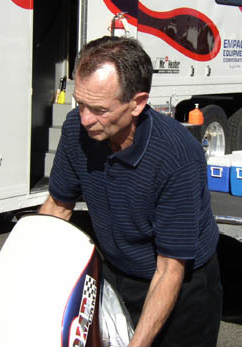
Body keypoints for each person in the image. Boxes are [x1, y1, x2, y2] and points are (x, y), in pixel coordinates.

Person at [39, 36, 222, 347]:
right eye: (80, 103)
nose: (85, 119)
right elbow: (57, 207)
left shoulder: (177, 156)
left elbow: (169, 269)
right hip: (114, 271)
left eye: (98, 109)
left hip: (180, 286)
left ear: (137, 103)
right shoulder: (76, 131)